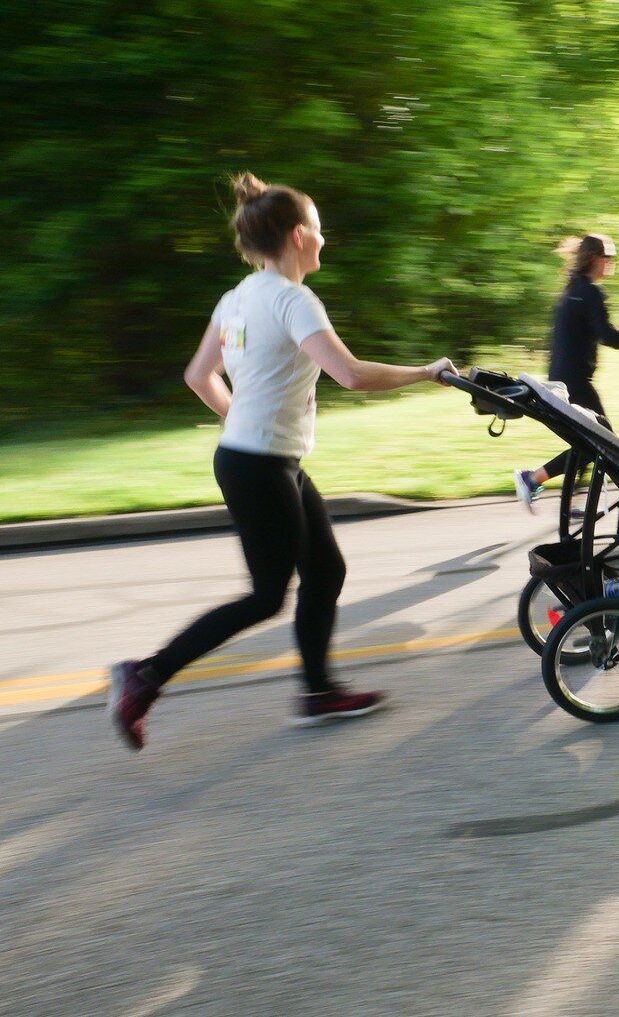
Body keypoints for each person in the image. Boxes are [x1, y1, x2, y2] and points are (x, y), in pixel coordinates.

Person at [106, 173, 457, 751]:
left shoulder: (237, 297)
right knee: (267, 595)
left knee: (326, 572)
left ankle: (318, 691)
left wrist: (240, 418)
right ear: (298, 236)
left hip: (262, 459)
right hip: (260, 464)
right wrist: (427, 373)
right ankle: (144, 676)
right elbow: (351, 374)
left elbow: (199, 377)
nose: (324, 239)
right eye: (318, 230)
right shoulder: (294, 300)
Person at [513, 233, 619, 513]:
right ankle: (533, 479)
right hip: (575, 382)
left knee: (589, 442)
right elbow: (610, 337)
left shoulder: (573, 289)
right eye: (609, 257)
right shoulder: (589, 292)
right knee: (603, 442)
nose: (612, 262)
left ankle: (563, 500)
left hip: (563, 379)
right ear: (595, 258)